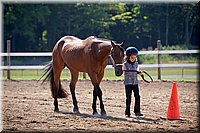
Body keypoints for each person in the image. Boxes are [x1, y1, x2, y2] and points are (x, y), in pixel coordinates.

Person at [123, 46, 143, 117]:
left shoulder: (136, 63)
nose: (133, 59)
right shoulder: (125, 64)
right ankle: (127, 111)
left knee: (137, 96)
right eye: (132, 57)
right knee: (128, 97)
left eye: (135, 57)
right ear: (128, 57)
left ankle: (137, 111)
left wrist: (139, 72)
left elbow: (137, 69)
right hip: (128, 83)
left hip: (135, 83)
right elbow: (124, 71)